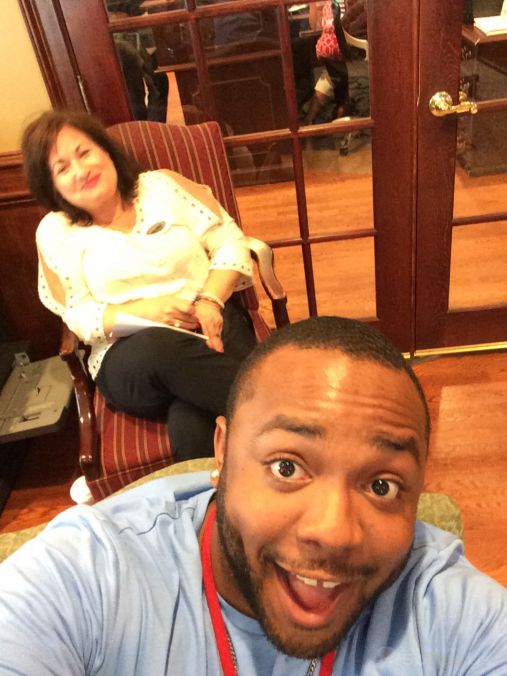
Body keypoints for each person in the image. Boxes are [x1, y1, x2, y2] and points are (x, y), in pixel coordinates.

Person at [1, 316, 506, 674]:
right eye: (287, 467)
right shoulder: (90, 575)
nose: (334, 532)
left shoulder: (447, 607)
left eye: (382, 486)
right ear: (221, 452)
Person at [21, 109, 256, 460]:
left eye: (84, 153)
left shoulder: (161, 187)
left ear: (105, 150)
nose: (81, 171)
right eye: (63, 168)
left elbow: (229, 241)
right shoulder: (56, 232)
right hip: (130, 358)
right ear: (51, 185)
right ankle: (292, 414)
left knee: (192, 421)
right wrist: (144, 312)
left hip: (211, 322)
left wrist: (209, 301)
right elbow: (79, 316)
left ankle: (211, 495)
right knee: (159, 347)